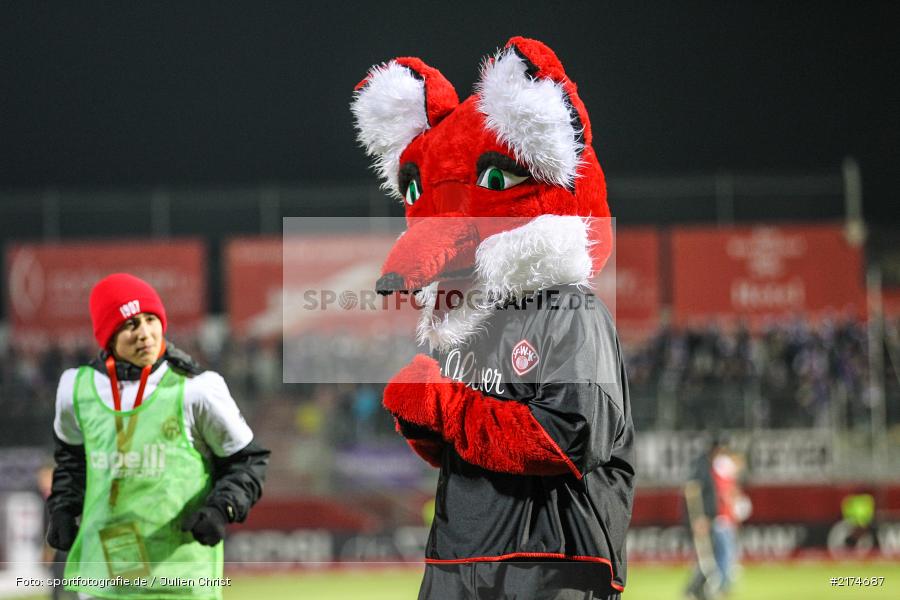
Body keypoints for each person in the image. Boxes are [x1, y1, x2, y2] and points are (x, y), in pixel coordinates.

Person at [46, 273, 270, 599]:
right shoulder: (74, 389)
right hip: (105, 577)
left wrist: (222, 509)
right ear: (107, 336)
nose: (145, 334)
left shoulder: (198, 388)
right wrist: (63, 509)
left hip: (180, 575)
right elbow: (71, 460)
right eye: (130, 325)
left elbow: (248, 461)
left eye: (151, 319)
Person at [684, 437, 744, 600]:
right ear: (715, 449)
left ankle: (698, 591)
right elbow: (692, 491)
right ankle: (694, 590)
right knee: (706, 559)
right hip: (700, 521)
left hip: (708, 520)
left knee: (708, 559)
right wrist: (698, 518)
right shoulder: (701, 467)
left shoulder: (709, 466)